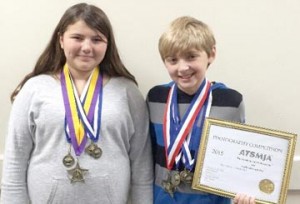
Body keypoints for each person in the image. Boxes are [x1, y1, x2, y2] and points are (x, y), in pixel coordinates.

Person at [1, 3, 153, 204]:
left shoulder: (128, 92)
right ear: (61, 40)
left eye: (97, 39)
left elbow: (142, 165)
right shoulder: (33, 89)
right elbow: (15, 162)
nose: (87, 47)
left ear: (108, 44)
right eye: (78, 38)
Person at [146, 16, 255, 204]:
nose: (182, 67)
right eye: (172, 59)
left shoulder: (230, 101)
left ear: (211, 54)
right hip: (163, 197)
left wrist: (246, 193)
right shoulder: (156, 98)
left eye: (191, 56)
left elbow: (239, 160)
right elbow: (148, 154)